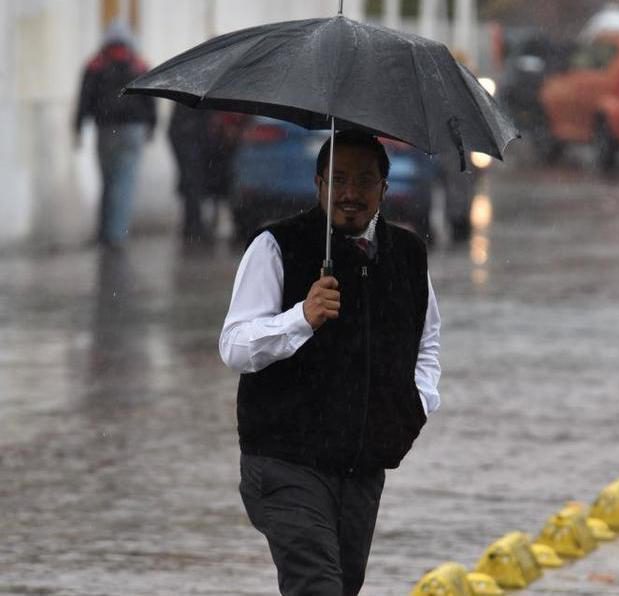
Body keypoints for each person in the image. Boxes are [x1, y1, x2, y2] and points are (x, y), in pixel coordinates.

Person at [219, 130, 441, 596]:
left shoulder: (407, 255)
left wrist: (415, 405)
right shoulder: (276, 246)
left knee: (343, 585)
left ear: (384, 186)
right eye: (337, 179)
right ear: (318, 184)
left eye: (363, 180)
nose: (349, 193)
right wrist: (301, 317)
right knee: (317, 587)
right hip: (284, 460)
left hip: (362, 465)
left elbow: (427, 341)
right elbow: (235, 346)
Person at [73, 19, 156, 248]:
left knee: (108, 181)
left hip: (105, 130)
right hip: (133, 131)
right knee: (125, 182)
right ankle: (116, 235)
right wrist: (152, 125)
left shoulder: (96, 64)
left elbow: (84, 98)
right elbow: (150, 99)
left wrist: (78, 126)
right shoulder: (138, 64)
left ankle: (106, 232)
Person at [167, 103, 213, 244]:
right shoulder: (193, 104)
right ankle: (194, 224)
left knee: (191, 182)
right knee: (192, 182)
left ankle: (192, 223)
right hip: (190, 138)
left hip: (187, 137)